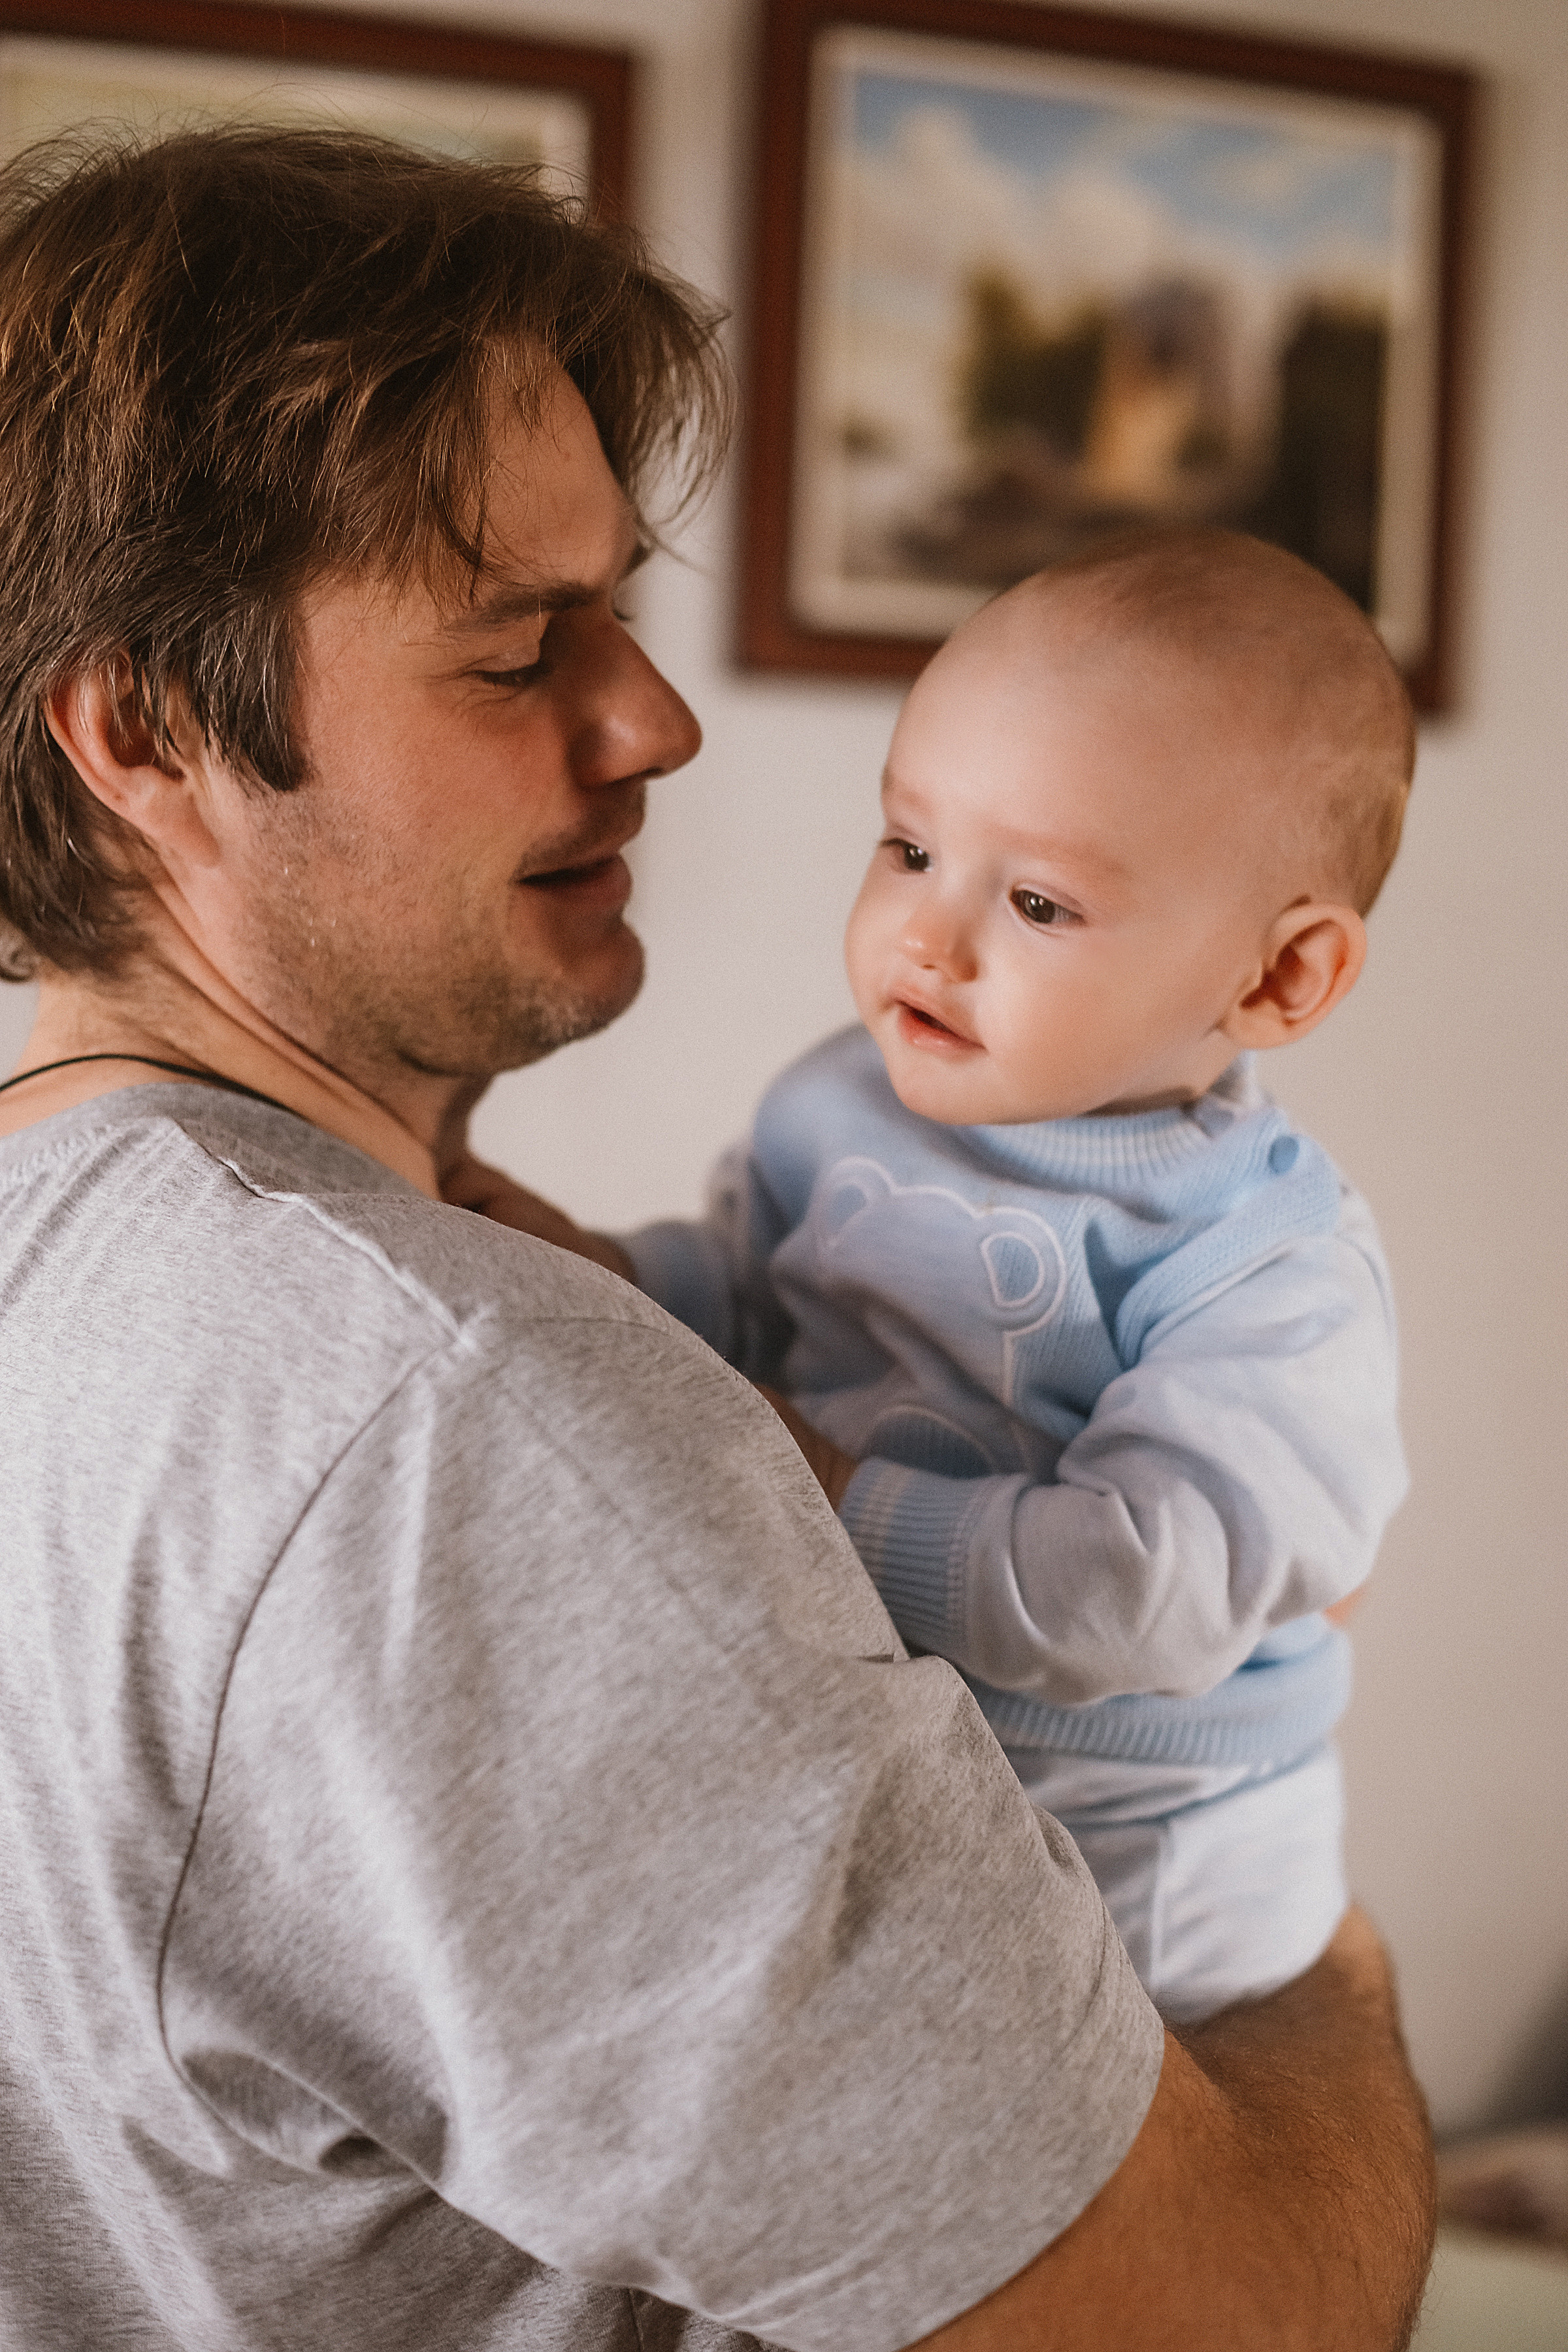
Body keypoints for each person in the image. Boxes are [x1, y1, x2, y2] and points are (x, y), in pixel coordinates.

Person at [0, 128, 1433, 2351]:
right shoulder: (452, 1424)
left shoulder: (76, 1253)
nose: (653, 721)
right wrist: (1332, 1984)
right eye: (514, 652)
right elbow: (1226, 2314)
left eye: (626, 616)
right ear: (148, 731)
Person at [487, 532, 1410, 2025]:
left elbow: (1137, 1598)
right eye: (911, 848)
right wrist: (595, 1269)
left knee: (1097, 2187)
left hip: (1151, 1839)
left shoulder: (1265, 1265)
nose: (928, 931)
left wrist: (831, 1493)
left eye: (1039, 904)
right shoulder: (843, 1100)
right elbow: (747, 1293)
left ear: (1276, 978)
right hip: (903, 1766)